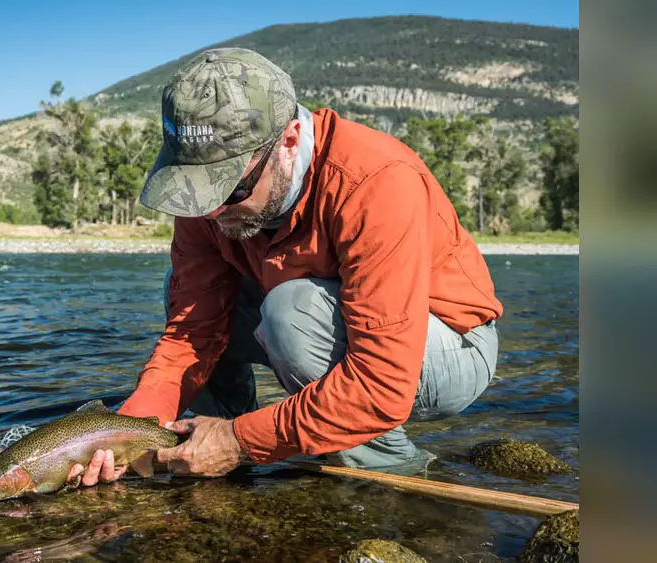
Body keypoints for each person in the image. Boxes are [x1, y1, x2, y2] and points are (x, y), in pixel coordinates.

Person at [66, 47, 502, 488]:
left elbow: (381, 385)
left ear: (289, 141)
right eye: (197, 190)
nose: (212, 210)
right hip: (323, 328)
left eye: (231, 189)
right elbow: (190, 334)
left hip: (448, 349)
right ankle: (205, 450)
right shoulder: (207, 205)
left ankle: (390, 465)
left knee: (292, 311)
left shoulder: (376, 181)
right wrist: (124, 436)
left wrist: (239, 441)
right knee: (186, 296)